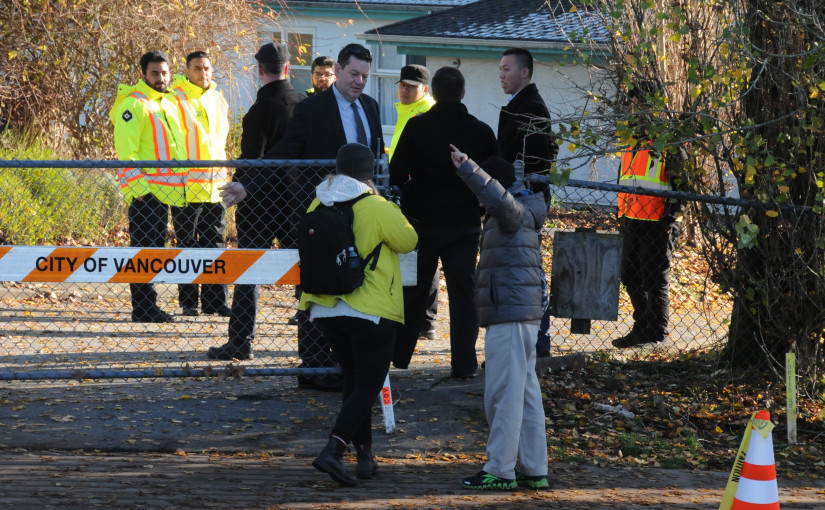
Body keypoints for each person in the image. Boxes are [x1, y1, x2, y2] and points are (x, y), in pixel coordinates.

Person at [302, 143, 417, 486]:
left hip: (324, 306)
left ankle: (365, 456)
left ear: (338, 168)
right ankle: (334, 450)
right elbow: (409, 240)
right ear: (369, 173)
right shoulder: (377, 206)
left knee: (354, 383)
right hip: (370, 309)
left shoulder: (317, 201)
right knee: (368, 382)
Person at [269, 43, 382, 391]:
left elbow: (376, 158)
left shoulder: (371, 108)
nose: (360, 82)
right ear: (338, 70)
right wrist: (245, 182)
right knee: (316, 286)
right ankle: (316, 366)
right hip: (323, 217)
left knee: (353, 287)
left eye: (365, 76)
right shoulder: (312, 109)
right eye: (354, 74)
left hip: (361, 216)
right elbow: (285, 151)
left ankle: (346, 365)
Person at [448, 147, 549, 492]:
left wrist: (469, 170)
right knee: (524, 394)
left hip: (510, 313)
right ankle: (534, 468)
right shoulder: (523, 211)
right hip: (520, 313)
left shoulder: (512, 210)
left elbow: (501, 201)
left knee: (503, 394)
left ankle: (500, 470)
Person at [389, 66, 498, 379]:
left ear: (433, 94)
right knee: (464, 295)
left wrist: (412, 195)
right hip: (464, 222)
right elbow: (494, 176)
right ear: (463, 93)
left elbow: (397, 173)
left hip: (424, 221)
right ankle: (464, 364)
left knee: (415, 289)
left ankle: (401, 355)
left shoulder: (417, 126)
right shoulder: (481, 131)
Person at [206, 42, 304, 360]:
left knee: (249, 274)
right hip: (296, 202)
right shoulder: (304, 106)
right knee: (308, 272)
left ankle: (241, 341)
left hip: (260, 203)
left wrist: (242, 186)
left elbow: (251, 159)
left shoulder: (259, 111)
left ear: (259, 70)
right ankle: (314, 341)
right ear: (287, 68)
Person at [110, 50, 187, 323]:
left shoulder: (166, 102)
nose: (161, 77)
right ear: (143, 75)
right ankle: (143, 308)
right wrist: (139, 191)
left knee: (153, 252)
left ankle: (147, 306)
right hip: (146, 195)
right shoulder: (135, 104)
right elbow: (126, 154)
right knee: (143, 252)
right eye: (155, 73)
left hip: (164, 193)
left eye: (165, 72)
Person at [611, 81, 684, 349]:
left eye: (640, 104)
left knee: (654, 280)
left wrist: (670, 218)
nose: (635, 109)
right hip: (631, 218)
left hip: (658, 222)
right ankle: (642, 327)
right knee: (629, 276)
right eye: (633, 104)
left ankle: (657, 333)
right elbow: (625, 177)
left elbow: (682, 186)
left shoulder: (668, 140)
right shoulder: (631, 139)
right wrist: (621, 215)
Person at [498, 47, 559, 358]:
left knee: (530, 272)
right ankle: (527, 342)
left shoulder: (531, 108)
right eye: (500, 68)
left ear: (524, 72)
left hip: (525, 200)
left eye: (507, 68)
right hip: (515, 198)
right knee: (520, 271)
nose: (501, 74)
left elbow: (535, 164)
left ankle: (539, 341)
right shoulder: (516, 105)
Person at [170, 50, 232, 318]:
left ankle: (216, 302)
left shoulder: (219, 99)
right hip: (186, 187)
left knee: (215, 245)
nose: (203, 73)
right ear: (187, 71)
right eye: (197, 68)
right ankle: (189, 303)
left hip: (215, 186)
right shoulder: (175, 99)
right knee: (187, 244)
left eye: (207, 68)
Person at [387, 64, 438, 341]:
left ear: (425, 89)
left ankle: (425, 319)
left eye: (411, 86)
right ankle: (418, 317)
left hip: (419, 193)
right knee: (413, 254)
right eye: (402, 85)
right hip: (404, 190)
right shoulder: (407, 110)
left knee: (424, 256)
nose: (405, 90)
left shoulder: (425, 113)